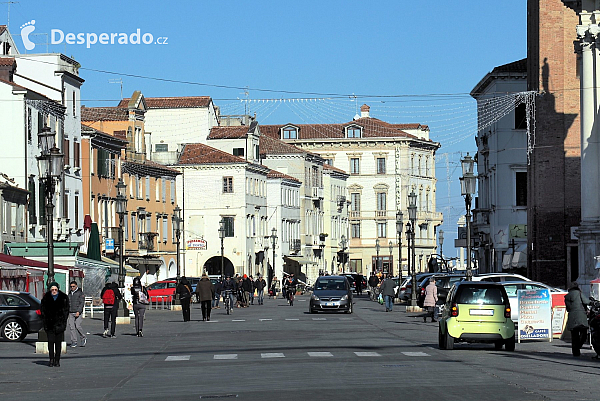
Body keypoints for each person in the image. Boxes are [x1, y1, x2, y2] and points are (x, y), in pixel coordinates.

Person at [41, 282, 69, 367]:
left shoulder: (64, 297)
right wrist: (45, 322)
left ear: (58, 289)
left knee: (58, 343)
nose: (54, 291)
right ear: (50, 290)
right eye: (52, 289)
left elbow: (66, 311)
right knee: (50, 343)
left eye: (55, 289)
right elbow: (43, 311)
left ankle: (57, 360)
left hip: (60, 324)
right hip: (49, 324)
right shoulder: (46, 298)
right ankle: (51, 359)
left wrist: (63, 322)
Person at [565, 281, 589, 357]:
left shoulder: (567, 297)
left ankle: (576, 352)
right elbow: (586, 301)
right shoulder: (579, 293)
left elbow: (568, 309)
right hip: (581, 315)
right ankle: (578, 346)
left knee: (574, 335)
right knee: (584, 333)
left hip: (572, 316)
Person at [67, 281, 86, 348]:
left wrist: (78, 311)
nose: (72, 288)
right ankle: (74, 341)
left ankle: (83, 337)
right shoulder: (69, 293)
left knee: (77, 326)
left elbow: (82, 303)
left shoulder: (80, 293)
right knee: (71, 327)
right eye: (71, 286)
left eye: (73, 286)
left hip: (78, 312)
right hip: (71, 312)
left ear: (76, 286)